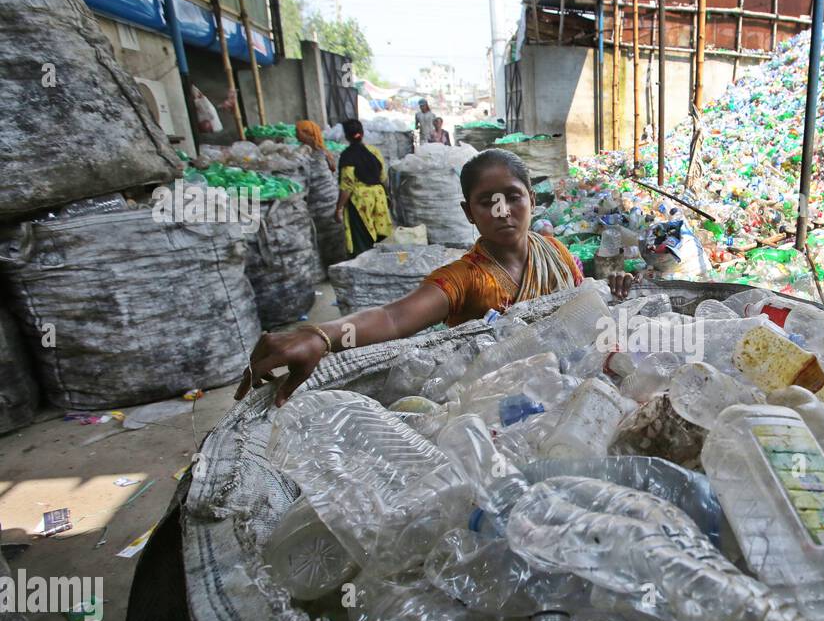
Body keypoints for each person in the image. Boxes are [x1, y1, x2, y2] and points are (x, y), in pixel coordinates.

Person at [237, 148, 635, 406]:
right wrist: (320, 336)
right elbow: (394, 318)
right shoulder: (466, 277)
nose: (502, 211)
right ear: (468, 212)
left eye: (513, 196)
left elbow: (579, 312)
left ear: (532, 198)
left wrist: (612, 291)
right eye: (486, 202)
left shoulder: (556, 252)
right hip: (498, 407)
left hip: (576, 390)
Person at [334, 118, 391, 256]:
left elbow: (347, 186)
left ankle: (365, 266)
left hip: (361, 202)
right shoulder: (374, 151)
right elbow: (383, 177)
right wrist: (388, 196)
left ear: (346, 136)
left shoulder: (347, 155)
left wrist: (339, 208)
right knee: (380, 234)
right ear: (362, 133)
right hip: (379, 196)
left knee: (363, 239)